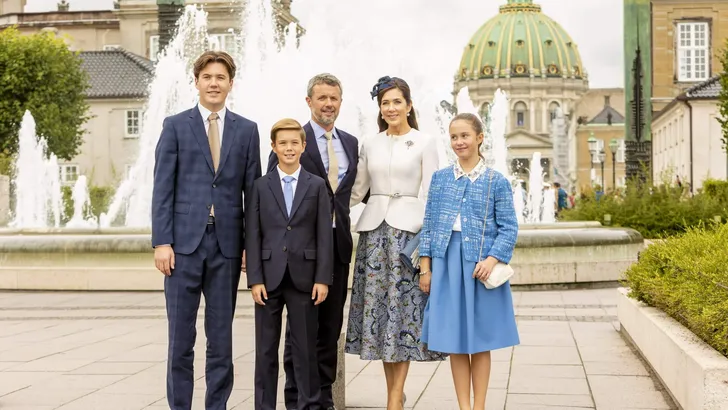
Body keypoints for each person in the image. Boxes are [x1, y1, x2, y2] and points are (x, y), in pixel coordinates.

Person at [151, 50, 261, 410]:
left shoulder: (247, 130)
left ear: (231, 83)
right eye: (207, 77)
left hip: (227, 247)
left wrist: (250, 245)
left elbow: (252, 194)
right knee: (180, 339)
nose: (214, 83)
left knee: (221, 340)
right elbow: (162, 188)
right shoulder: (176, 125)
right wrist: (162, 242)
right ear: (196, 82)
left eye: (221, 77)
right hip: (182, 248)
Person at [345, 76, 446, 410]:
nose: (390, 108)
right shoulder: (370, 144)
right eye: (385, 103)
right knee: (382, 320)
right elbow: (357, 191)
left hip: (407, 238)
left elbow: (433, 197)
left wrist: (428, 254)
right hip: (373, 236)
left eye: (396, 102)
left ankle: (393, 400)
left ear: (409, 104)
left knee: (402, 319)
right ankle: (394, 395)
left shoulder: (425, 142)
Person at [266, 73, 358, 410]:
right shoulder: (294, 140)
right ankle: (297, 398)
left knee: (330, 327)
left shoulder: (350, 142)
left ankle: (323, 397)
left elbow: (347, 195)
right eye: (322, 98)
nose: (328, 104)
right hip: (300, 251)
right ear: (309, 102)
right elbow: (272, 196)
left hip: (337, 246)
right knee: (300, 331)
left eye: (334, 98)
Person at [419, 113, 519, 410]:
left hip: (479, 267)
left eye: (464, 135)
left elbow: (509, 228)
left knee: (479, 340)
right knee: (455, 340)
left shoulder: (496, 181)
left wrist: (492, 259)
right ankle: (463, 406)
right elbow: (430, 224)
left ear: (479, 138)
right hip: (447, 264)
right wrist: (426, 268)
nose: (459, 142)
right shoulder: (439, 179)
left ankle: (480, 406)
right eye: (454, 137)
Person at [247, 118, 334, 410]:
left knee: (305, 350)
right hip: (268, 280)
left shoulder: (317, 186)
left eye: (294, 143)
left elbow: (324, 236)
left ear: (303, 146)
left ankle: (308, 405)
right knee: (266, 351)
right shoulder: (259, 186)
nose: (288, 148)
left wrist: (323, 278)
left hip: (305, 280)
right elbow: (253, 234)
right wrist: (255, 279)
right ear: (273, 147)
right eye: (282, 143)